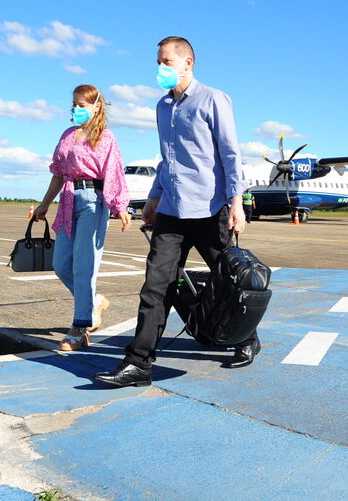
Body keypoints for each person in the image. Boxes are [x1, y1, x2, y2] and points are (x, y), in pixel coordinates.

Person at [95, 36, 253, 389]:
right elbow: (167, 160)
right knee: (155, 286)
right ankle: (139, 363)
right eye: (158, 62)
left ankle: (246, 337)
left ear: (187, 63)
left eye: (166, 62)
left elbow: (231, 154)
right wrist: (153, 198)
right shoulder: (162, 107)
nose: (160, 68)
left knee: (230, 282)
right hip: (171, 211)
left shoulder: (213, 99)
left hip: (210, 208)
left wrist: (236, 202)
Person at [33, 85, 130, 352]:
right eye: (74, 104)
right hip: (67, 199)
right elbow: (58, 173)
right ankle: (94, 300)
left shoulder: (105, 137)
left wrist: (119, 206)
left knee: (84, 266)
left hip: (93, 201)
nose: (76, 109)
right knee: (61, 263)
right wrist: (44, 204)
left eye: (82, 105)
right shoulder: (67, 135)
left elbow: (114, 173)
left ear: (96, 107)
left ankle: (80, 328)